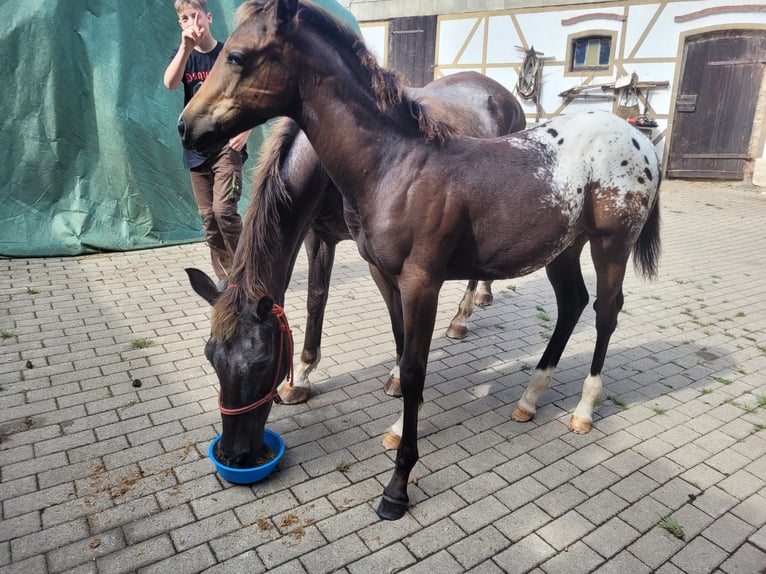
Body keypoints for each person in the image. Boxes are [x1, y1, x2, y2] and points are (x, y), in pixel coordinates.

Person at [163, 0, 250, 289]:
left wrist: (247, 130)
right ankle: (227, 278)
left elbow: (248, 94)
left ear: (209, 17)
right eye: (185, 18)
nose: (192, 22)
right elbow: (170, 83)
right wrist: (186, 49)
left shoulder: (227, 55)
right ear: (180, 24)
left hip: (226, 146)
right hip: (195, 150)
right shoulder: (183, 55)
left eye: (196, 15)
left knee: (224, 212)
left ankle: (246, 274)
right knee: (209, 222)